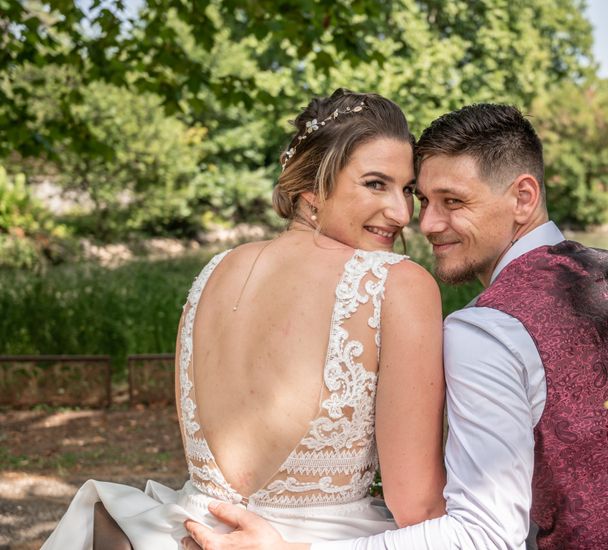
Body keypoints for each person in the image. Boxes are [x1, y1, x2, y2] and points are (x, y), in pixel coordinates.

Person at [185, 103, 608, 550]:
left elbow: (479, 535)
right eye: (422, 198)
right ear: (311, 190)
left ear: (523, 198)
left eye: (450, 201)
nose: (420, 221)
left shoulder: (486, 329)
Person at [41, 89, 448, 550]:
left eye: (407, 189)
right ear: (311, 190)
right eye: (376, 184)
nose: (402, 213)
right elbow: (418, 507)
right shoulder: (397, 283)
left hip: (179, 534)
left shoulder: (212, 273)